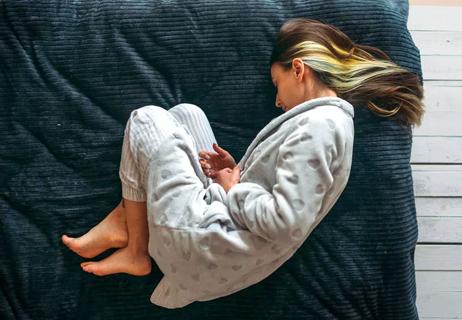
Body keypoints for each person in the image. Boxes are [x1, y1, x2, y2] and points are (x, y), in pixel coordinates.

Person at [61, 18, 424, 308]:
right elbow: (281, 192)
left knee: (147, 120)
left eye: (276, 84)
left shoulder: (319, 128)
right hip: (222, 238)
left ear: (299, 69)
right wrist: (232, 172)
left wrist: (232, 186)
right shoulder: (324, 124)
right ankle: (128, 220)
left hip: (205, 246)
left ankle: (136, 246)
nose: (278, 101)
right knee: (186, 115)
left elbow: (283, 222)